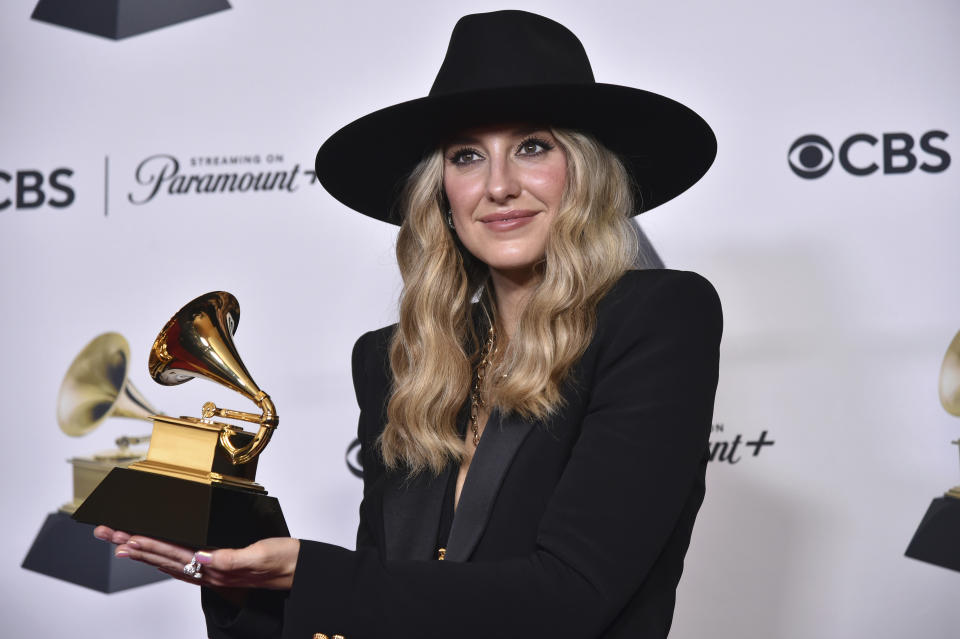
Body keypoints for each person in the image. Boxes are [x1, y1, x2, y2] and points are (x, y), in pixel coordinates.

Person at [95, 10, 721, 639]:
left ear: (583, 173)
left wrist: (309, 574)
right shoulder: (399, 363)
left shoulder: (659, 317)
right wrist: (241, 581)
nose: (498, 185)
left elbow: (572, 595)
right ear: (442, 194)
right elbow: (381, 608)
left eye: (532, 147)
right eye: (467, 156)